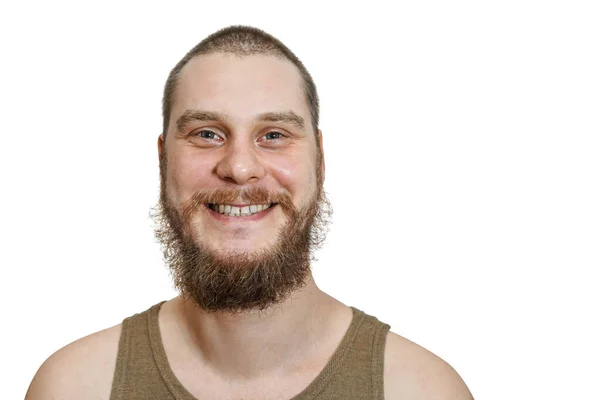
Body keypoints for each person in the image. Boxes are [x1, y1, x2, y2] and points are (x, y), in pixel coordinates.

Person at [26, 25, 473, 400]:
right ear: (162, 159)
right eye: (206, 133)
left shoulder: (421, 389)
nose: (240, 168)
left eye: (274, 135)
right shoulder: (76, 386)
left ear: (320, 158)